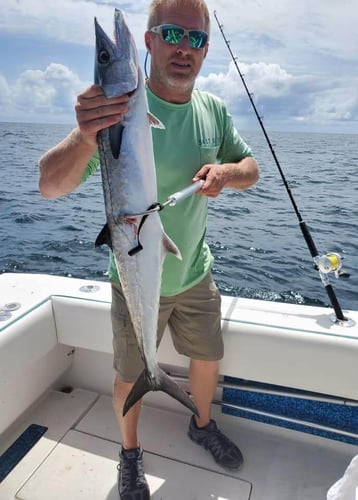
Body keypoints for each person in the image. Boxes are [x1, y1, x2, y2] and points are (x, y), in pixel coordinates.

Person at [39, 0, 259, 498]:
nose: (184, 48)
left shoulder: (212, 111)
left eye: (196, 39)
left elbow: (251, 168)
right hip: (134, 274)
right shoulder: (111, 115)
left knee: (207, 358)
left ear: (206, 49)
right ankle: (130, 454)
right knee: (129, 372)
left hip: (195, 272)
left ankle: (200, 424)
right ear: (148, 41)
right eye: (172, 34)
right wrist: (83, 134)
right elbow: (49, 186)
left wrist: (225, 173)